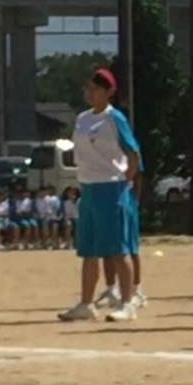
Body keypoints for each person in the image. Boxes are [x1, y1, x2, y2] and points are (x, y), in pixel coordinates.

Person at [58, 68, 143, 323]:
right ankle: (86, 303)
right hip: (89, 187)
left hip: (112, 187)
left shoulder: (114, 118)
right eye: (89, 88)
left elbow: (133, 153)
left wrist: (126, 181)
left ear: (109, 92)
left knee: (118, 249)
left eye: (96, 89)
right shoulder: (82, 118)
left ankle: (127, 302)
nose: (90, 92)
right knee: (89, 250)